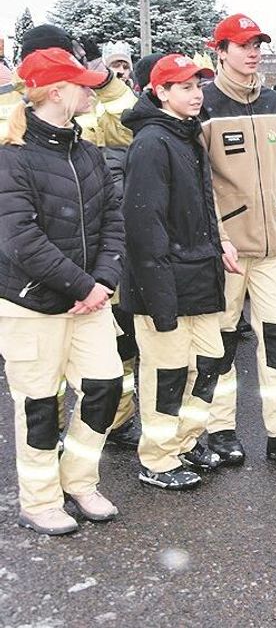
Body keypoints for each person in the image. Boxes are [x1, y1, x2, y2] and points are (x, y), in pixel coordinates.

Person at [0, 48, 126, 535]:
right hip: (31, 305)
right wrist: (84, 285)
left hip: (89, 301)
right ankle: (39, 500)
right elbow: (20, 239)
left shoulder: (87, 151)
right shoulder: (11, 157)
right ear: (56, 92)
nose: (92, 90)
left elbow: (113, 220)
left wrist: (104, 281)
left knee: (105, 386)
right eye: (82, 84)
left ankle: (79, 480)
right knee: (38, 406)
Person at [200, 13, 276, 469]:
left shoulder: (273, 102)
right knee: (223, 342)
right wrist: (219, 237)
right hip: (229, 250)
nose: (253, 53)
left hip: (275, 248)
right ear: (221, 51)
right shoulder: (205, 104)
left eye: (257, 45)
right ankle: (220, 429)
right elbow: (202, 184)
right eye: (243, 45)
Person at [20, 26, 142, 450]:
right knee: (44, 368)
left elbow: (131, 124)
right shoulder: (16, 112)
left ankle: (117, 422)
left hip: (93, 246)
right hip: (39, 259)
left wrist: (105, 81)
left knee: (115, 346)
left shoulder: (84, 101)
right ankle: (50, 433)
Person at [120, 54, 227, 490]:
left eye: (198, 85)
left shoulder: (187, 135)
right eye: (185, 87)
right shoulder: (151, 143)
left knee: (209, 363)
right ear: (160, 92)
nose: (196, 94)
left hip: (198, 275)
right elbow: (144, 227)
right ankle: (158, 459)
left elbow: (201, 212)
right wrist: (158, 295)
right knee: (166, 374)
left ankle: (184, 442)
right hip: (164, 281)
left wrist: (217, 255)